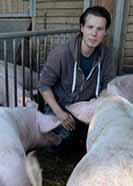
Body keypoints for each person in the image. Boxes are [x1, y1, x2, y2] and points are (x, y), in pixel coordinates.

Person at [38, 6, 117, 151]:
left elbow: (108, 83)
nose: (94, 33)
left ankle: (81, 134)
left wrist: (99, 105)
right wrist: (60, 113)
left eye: (99, 29)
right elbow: (44, 85)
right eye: (90, 27)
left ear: (105, 32)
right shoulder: (61, 54)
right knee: (63, 142)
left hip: (87, 106)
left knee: (108, 136)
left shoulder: (107, 55)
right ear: (82, 28)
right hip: (60, 106)